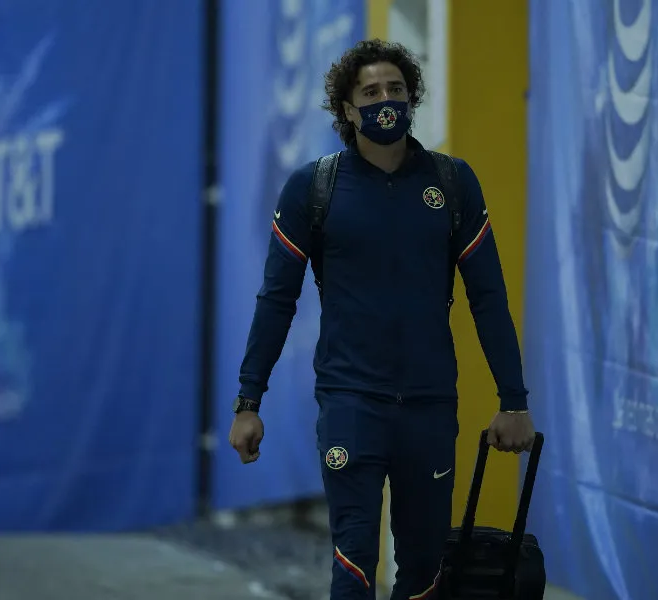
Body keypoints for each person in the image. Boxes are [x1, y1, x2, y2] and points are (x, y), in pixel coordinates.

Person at [228, 39, 535, 600]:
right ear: (347, 110)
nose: (385, 100)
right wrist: (249, 402)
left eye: (395, 89)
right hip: (350, 402)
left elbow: (488, 297)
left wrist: (513, 400)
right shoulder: (313, 189)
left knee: (422, 572)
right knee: (355, 561)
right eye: (370, 92)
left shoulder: (452, 183)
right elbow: (277, 300)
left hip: (430, 405)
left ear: (412, 97)